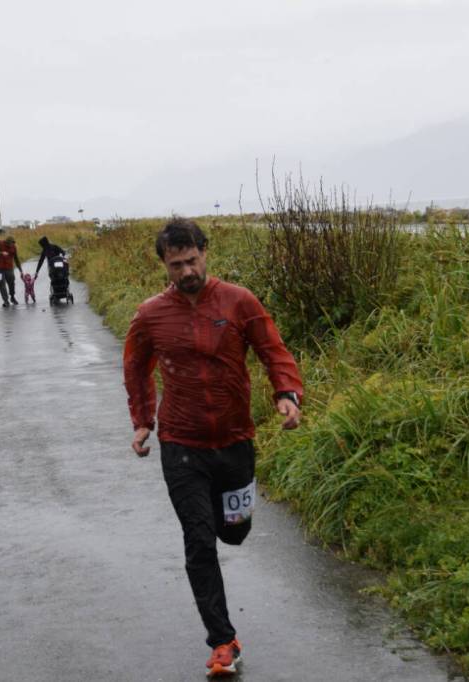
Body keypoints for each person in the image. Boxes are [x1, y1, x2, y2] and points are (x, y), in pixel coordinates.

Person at [123, 217, 303, 678]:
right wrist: (144, 421)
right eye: (176, 264)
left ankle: (232, 528)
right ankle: (222, 641)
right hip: (181, 444)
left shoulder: (239, 302)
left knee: (234, 532)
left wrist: (287, 393)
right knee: (199, 541)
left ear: (205, 253)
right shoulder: (150, 315)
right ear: (164, 265)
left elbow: (273, 350)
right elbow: (136, 368)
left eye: (192, 260)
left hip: (235, 441)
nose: (186, 271)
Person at [0, 235, 23, 307]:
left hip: (9, 268)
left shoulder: (14, 247)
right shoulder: (0, 244)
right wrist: (1, 253)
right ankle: (5, 301)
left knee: (11, 282)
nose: (11, 245)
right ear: (7, 242)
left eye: (12, 243)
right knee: (1, 284)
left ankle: (12, 297)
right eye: (10, 243)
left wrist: (20, 270)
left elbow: (16, 259)